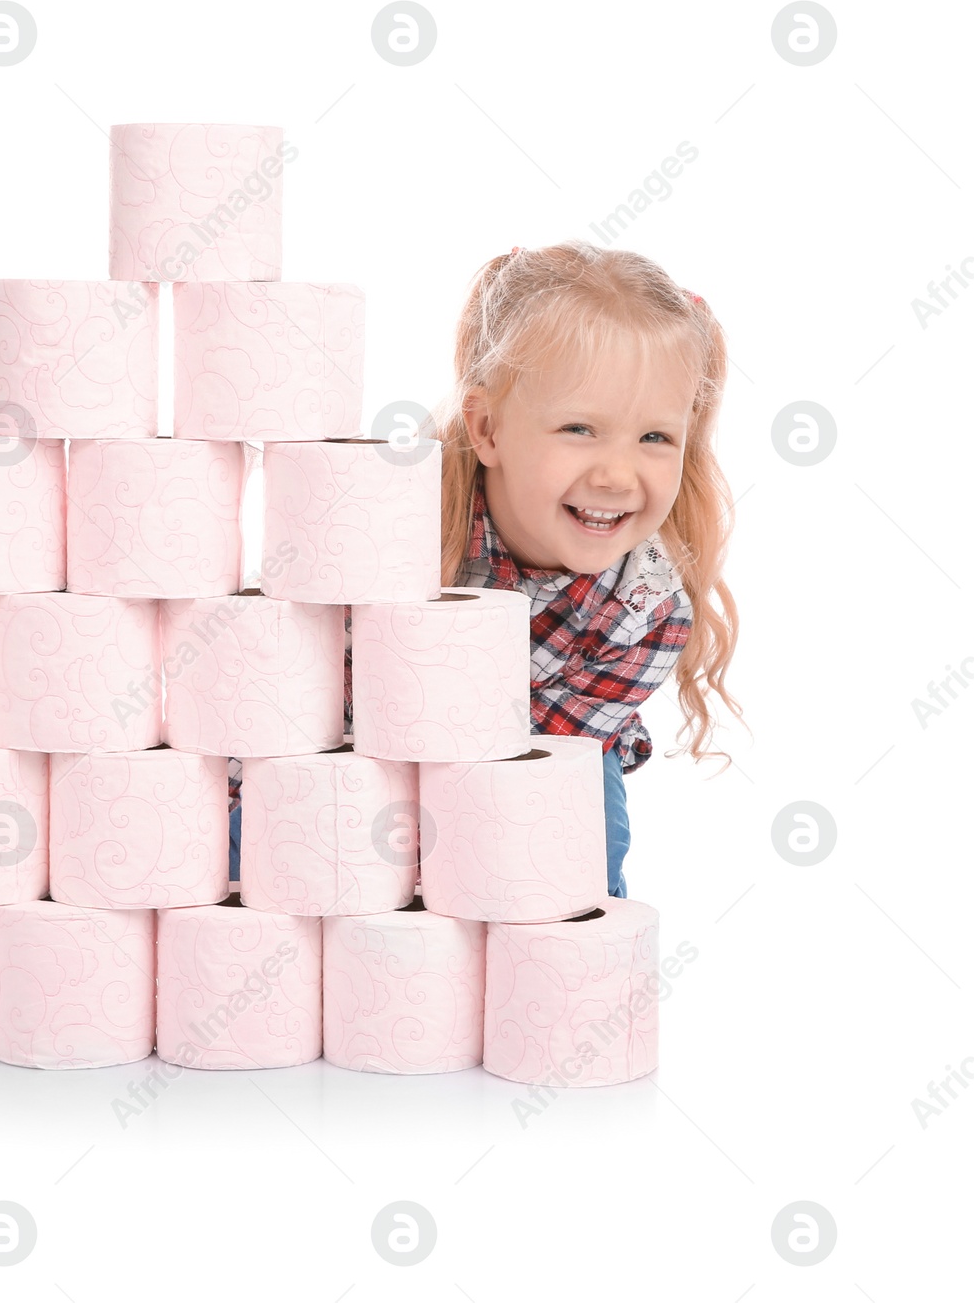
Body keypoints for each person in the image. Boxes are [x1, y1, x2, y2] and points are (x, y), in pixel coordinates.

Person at [227, 240, 741, 897]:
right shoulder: (400, 523)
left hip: (534, 749)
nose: (617, 475)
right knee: (261, 830)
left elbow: (536, 771)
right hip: (354, 735)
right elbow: (297, 683)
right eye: (579, 429)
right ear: (489, 429)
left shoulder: (649, 605)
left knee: (583, 844)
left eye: (654, 438)